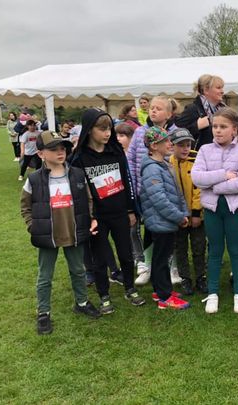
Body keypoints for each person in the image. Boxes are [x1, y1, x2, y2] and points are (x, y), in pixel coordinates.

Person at [20, 131, 101, 334]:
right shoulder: (34, 179)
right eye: (53, 149)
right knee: (45, 275)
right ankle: (44, 313)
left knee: (78, 270)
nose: (60, 152)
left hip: (74, 232)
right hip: (48, 235)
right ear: (41, 154)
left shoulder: (77, 174)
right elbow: (25, 206)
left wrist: (91, 218)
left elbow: (88, 199)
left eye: (62, 148)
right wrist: (32, 226)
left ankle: (81, 302)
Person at [70, 108, 145, 314]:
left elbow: (127, 182)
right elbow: (77, 192)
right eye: (102, 129)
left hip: (120, 212)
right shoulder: (79, 158)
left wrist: (131, 210)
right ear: (89, 129)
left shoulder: (116, 151)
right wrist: (88, 217)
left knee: (126, 254)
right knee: (100, 259)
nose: (107, 133)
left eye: (109, 128)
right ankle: (104, 295)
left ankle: (130, 288)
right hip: (97, 218)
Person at [191, 108, 238, 314]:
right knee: (215, 251)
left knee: (236, 250)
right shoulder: (204, 150)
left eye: (223, 127)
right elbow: (197, 177)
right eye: (215, 126)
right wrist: (224, 175)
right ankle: (213, 293)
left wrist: (214, 187)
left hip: (235, 210)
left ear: (234, 129)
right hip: (212, 210)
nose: (217, 130)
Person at [139, 126, 191, 310]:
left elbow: (176, 192)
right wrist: (178, 217)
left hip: (167, 220)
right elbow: (159, 199)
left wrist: (183, 212)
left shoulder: (164, 164)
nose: (170, 143)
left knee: (162, 257)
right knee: (162, 259)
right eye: (166, 141)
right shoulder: (152, 169)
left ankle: (159, 290)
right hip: (161, 222)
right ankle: (164, 297)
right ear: (154, 146)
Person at [127, 96, 173, 284]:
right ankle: (147, 266)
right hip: (143, 192)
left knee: (167, 232)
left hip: (166, 191)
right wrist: (133, 186)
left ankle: (170, 267)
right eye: (152, 108)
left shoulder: (173, 133)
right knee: (149, 230)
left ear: (169, 114)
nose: (153, 111)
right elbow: (131, 160)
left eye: (159, 108)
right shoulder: (139, 132)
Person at [169, 127, 208, 296]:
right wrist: (178, 215)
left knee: (199, 247)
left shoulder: (196, 159)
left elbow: (199, 187)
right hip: (179, 216)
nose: (185, 149)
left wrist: (196, 213)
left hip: (196, 215)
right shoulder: (168, 163)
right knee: (180, 248)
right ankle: (185, 278)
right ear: (172, 146)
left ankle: (200, 277)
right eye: (181, 145)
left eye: (188, 145)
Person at [115, 122, 148, 283]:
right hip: (123, 199)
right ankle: (135, 257)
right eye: (117, 135)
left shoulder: (135, 156)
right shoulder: (115, 156)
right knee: (129, 230)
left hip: (138, 195)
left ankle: (142, 259)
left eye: (122, 135)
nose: (118, 138)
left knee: (137, 230)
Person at [175, 74, 225, 150]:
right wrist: (196, 126)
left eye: (222, 88)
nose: (222, 91)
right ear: (206, 90)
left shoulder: (224, 110)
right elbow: (176, 132)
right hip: (200, 154)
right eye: (218, 88)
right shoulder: (193, 109)